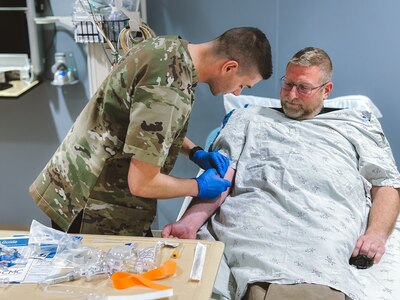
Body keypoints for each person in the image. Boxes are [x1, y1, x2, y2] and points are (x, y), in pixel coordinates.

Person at [162, 47, 400, 300]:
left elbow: (385, 182)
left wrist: (375, 234)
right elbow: (222, 176)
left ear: (326, 90)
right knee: (261, 259)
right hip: (259, 214)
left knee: (320, 262)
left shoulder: (356, 125)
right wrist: (189, 223)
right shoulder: (247, 118)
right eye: (287, 85)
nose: (291, 95)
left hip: (326, 218)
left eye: (303, 87)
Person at [29, 27, 273, 236]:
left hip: (73, 182)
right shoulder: (168, 90)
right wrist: (198, 186)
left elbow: (148, 130)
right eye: (243, 84)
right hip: (92, 206)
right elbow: (142, 183)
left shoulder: (168, 48)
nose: (238, 93)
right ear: (229, 67)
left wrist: (196, 152)